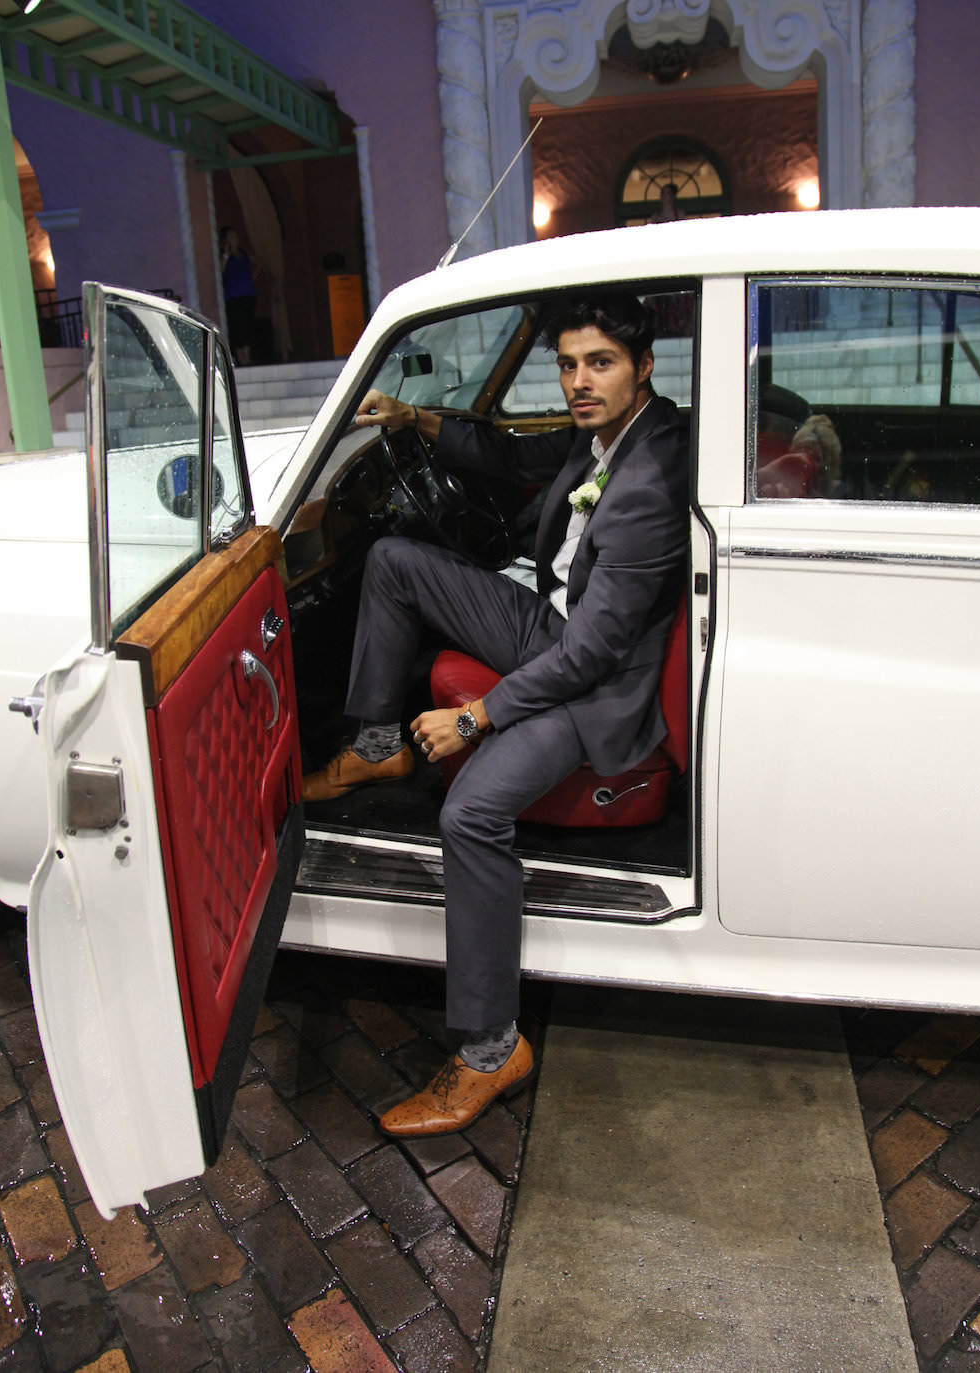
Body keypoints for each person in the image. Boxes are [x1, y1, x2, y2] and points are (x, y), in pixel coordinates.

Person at [302, 294, 690, 1137]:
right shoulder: (607, 434)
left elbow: (588, 657)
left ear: (644, 368)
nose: (580, 381)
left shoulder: (648, 483)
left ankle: (490, 1050)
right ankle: (375, 745)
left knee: (471, 811)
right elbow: (519, 453)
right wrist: (418, 420)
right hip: (553, 620)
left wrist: (476, 718)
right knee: (396, 559)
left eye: (601, 363)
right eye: (569, 363)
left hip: (596, 689)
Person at [219, 226, 258, 365]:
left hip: (248, 294)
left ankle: (247, 356)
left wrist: (252, 277)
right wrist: (226, 254)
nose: (235, 239)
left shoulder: (244, 252)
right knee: (238, 326)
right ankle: (242, 357)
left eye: (235, 236)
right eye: (231, 236)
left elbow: (256, 265)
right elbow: (220, 271)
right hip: (233, 296)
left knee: (247, 324)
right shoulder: (224, 255)